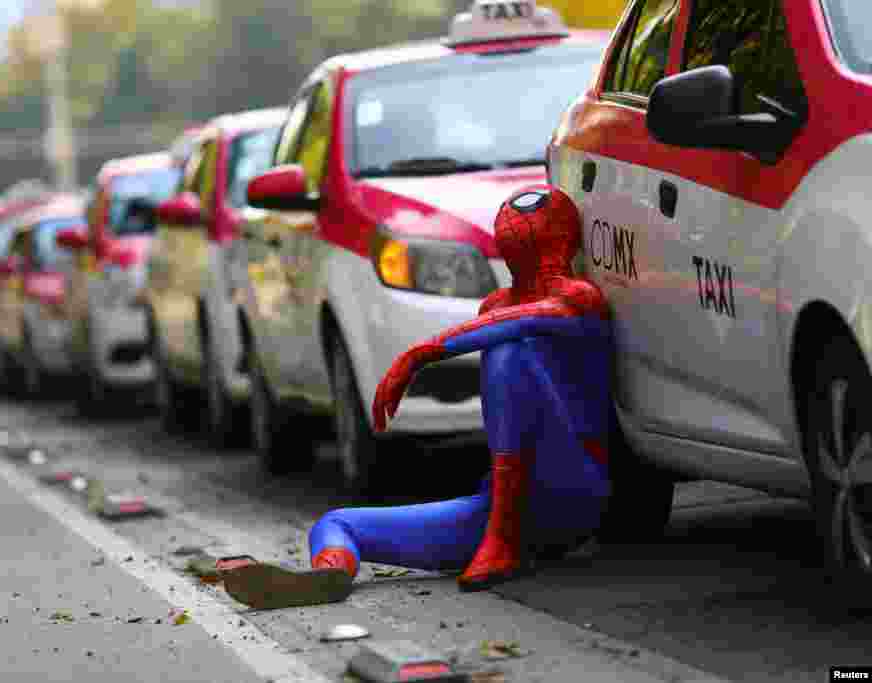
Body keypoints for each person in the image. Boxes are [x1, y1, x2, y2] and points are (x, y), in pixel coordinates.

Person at [223, 186, 613, 610]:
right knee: (337, 523)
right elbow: (506, 319)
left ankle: (503, 539)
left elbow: (523, 323)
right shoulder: (497, 306)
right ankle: (331, 573)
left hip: (572, 487)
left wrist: (420, 354)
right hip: (500, 503)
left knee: (509, 352)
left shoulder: (579, 299)